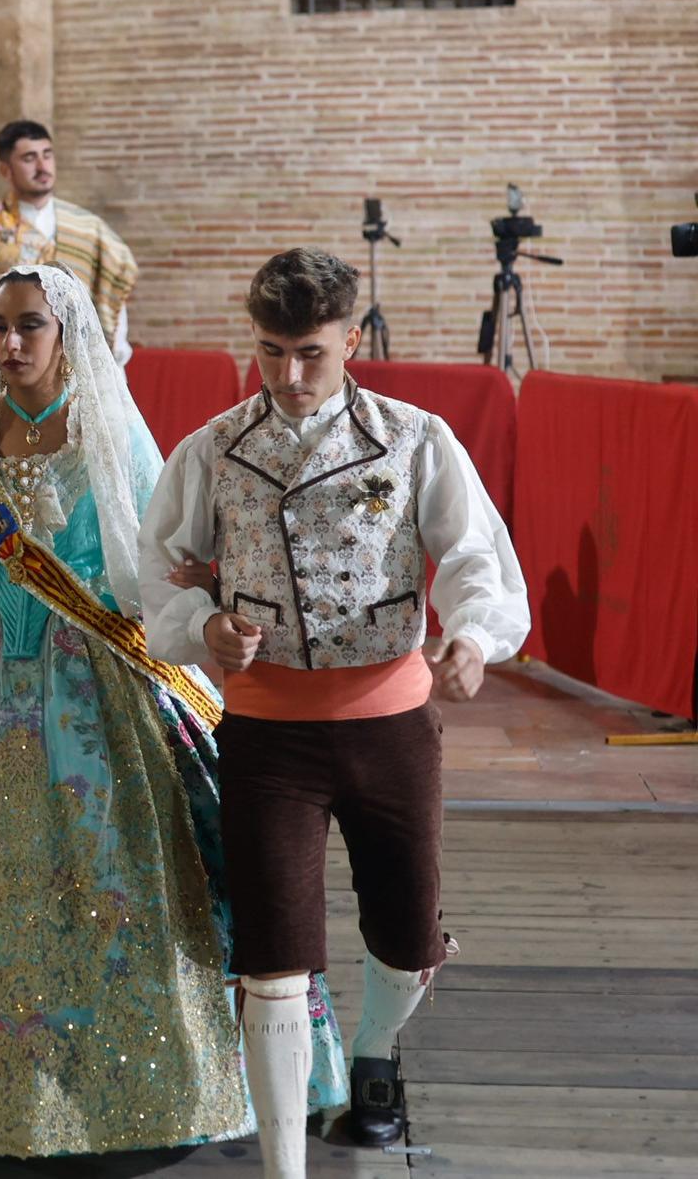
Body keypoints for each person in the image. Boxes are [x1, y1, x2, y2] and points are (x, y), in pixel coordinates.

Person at [0, 263, 346, 1156]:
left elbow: (159, 569)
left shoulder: (111, 436)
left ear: (66, 331)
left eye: (29, 326)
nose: (9, 344)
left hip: (94, 683)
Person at [139, 248, 530, 1179]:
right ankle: (285, 1169)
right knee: (273, 948)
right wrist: (204, 623)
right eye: (271, 352)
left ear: (352, 339)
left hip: (392, 722)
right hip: (268, 733)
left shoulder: (416, 437)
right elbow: (157, 573)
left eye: (311, 351)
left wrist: (472, 637)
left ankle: (372, 1050)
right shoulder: (212, 448)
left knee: (406, 929)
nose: (290, 375)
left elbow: (478, 556)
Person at [0, 121, 138, 402]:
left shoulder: (90, 230)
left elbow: (112, 306)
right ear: (5, 169)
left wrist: (114, 371)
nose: (42, 166)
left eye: (47, 154)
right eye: (29, 158)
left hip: (82, 380)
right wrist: (19, 321)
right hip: (7, 378)